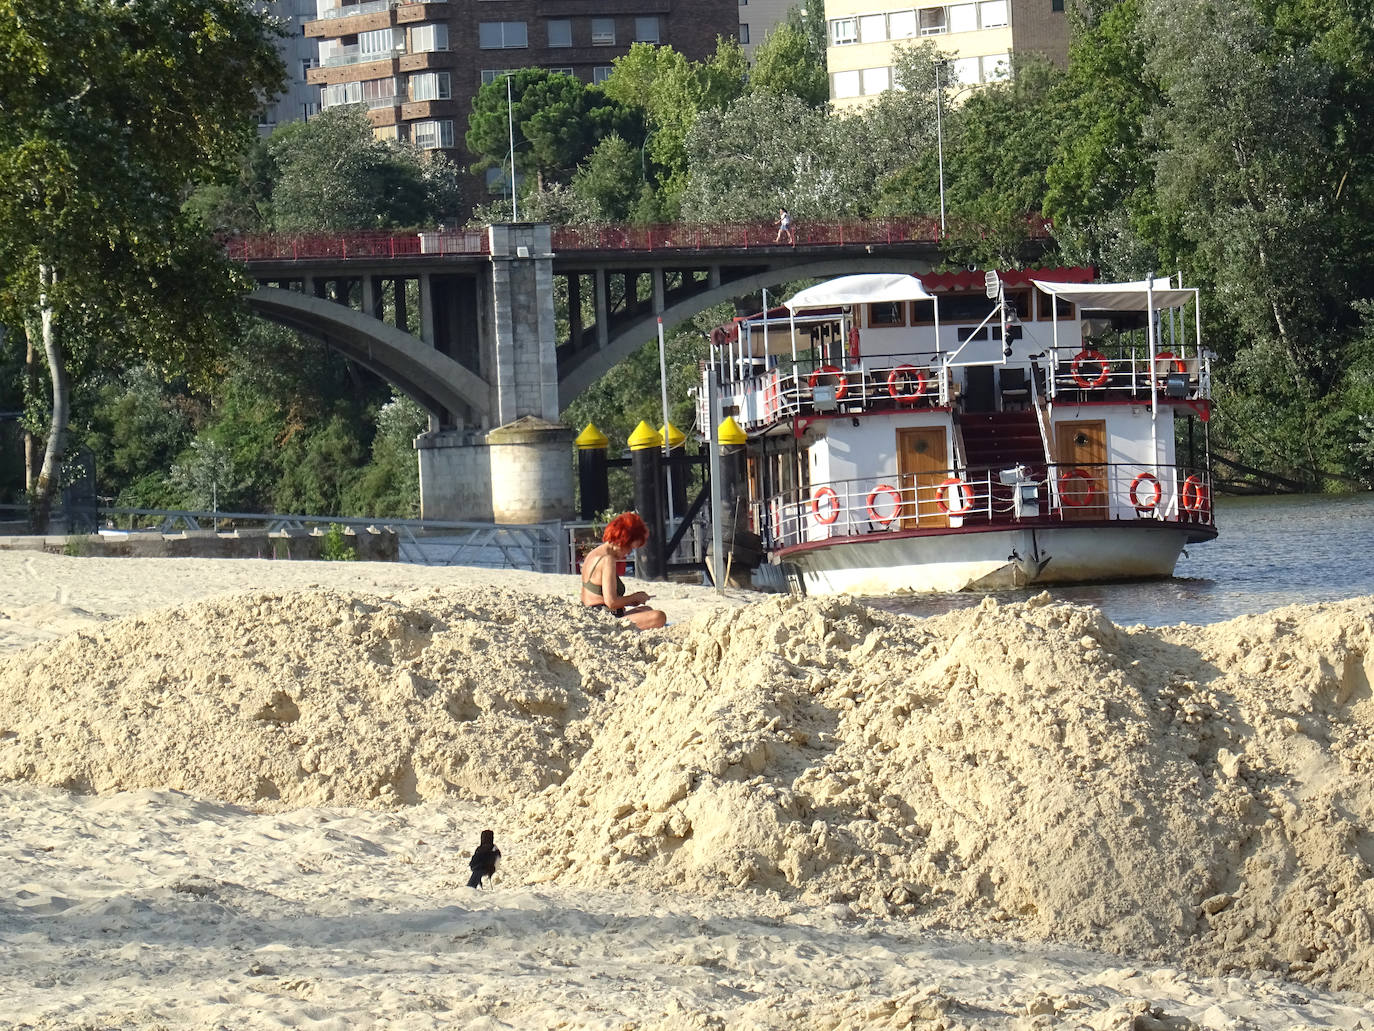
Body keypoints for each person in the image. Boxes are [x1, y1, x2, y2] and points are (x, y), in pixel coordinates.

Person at [579, 512, 667, 629]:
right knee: (659, 616)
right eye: (630, 547)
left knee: (646, 610)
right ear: (623, 541)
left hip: (595, 614)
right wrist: (635, 597)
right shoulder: (607, 560)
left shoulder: (594, 554)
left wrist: (631, 601)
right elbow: (611, 602)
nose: (629, 552)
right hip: (604, 619)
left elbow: (601, 596)